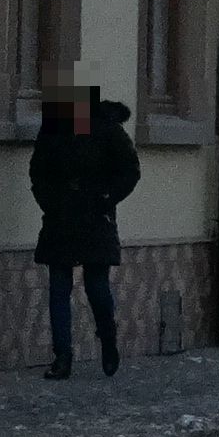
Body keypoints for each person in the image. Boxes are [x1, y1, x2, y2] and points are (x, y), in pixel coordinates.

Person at [30, 91, 140, 379]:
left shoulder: (106, 128)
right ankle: (63, 357)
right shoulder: (54, 128)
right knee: (59, 286)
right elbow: (38, 170)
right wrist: (50, 202)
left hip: (94, 215)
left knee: (96, 285)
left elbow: (130, 171)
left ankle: (108, 340)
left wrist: (107, 198)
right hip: (61, 215)